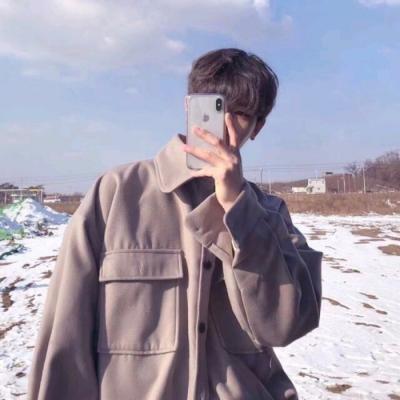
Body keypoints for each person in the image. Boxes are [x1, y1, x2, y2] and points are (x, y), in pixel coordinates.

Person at [27, 48, 323, 400]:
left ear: (258, 127)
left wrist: (238, 209)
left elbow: (283, 327)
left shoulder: (271, 213)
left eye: (242, 113)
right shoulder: (116, 193)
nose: (224, 125)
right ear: (188, 107)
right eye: (215, 107)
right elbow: (66, 333)